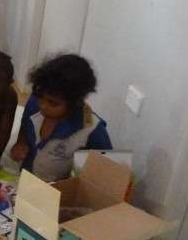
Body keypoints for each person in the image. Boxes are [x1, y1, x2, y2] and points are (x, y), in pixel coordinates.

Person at [10, 54, 112, 182]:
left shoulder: (92, 130)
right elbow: (26, 125)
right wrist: (21, 141)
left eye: (53, 103)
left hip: (56, 191)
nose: (43, 106)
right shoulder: (35, 101)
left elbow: (108, 170)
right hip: (25, 176)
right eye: (41, 98)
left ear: (75, 103)